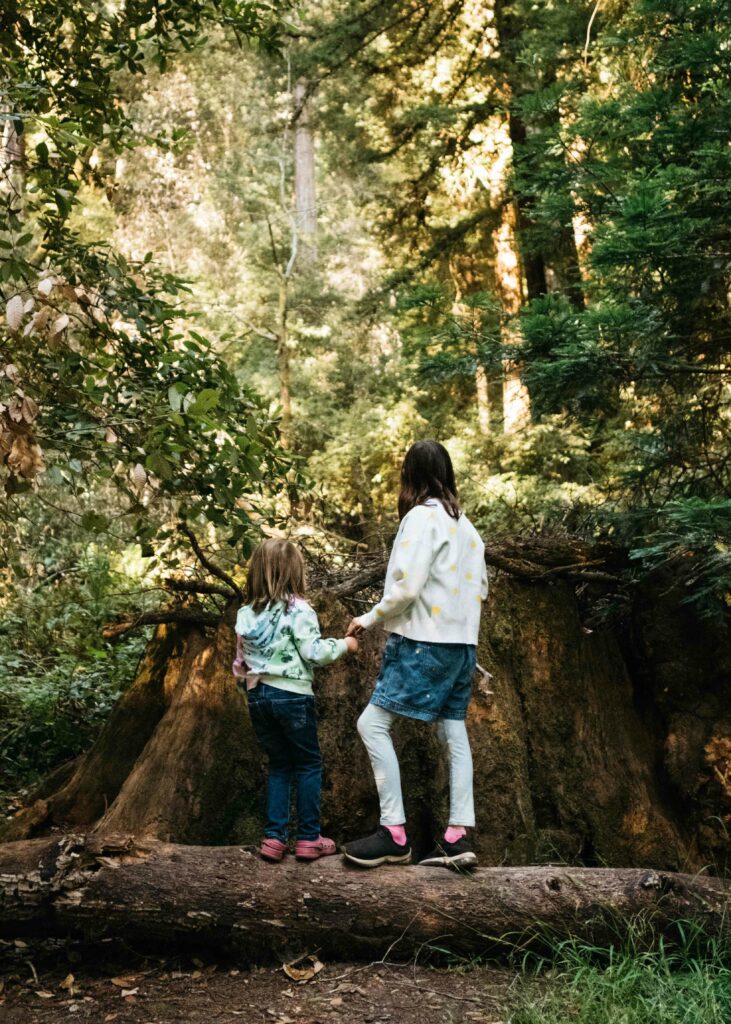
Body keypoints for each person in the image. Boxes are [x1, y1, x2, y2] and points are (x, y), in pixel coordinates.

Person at [342, 440, 487, 869]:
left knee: (371, 723)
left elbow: (405, 587)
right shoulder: (468, 528)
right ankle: (458, 836)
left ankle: (394, 833)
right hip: (464, 647)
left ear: (411, 476)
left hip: (425, 642)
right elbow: (481, 589)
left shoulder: (420, 520)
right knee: (453, 733)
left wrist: (369, 618)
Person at [234, 538, 358, 863]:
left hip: (257, 695)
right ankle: (308, 838)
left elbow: (240, 662)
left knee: (279, 765)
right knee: (307, 763)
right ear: (295, 573)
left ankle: (274, 839)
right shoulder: (299, 610)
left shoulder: (245, 614)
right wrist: (345, 645)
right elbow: (312, 653)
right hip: (292, 696)